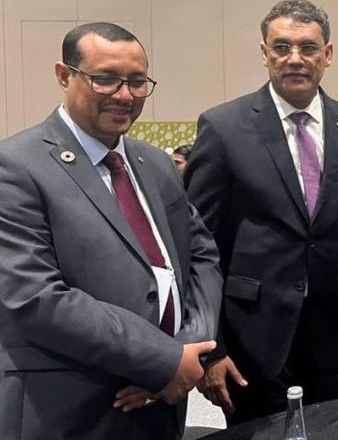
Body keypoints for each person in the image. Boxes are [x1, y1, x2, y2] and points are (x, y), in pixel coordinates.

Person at [0, 22, 222, 439]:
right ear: (64, 75)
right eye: (104, 78)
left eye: (137, 82)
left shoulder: (156, 164)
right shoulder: (14, 166)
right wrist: (160, 359)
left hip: (162, 406)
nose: (124, 95)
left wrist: (186, 351)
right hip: (69, 408)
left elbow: (202, 255)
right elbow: (35, 297)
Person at [185, 0, 338, 424]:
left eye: (308, 47)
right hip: (252, 332)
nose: (295, 58)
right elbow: (196, 245)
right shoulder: (223, 127)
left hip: (334, 328)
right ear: (264, 53)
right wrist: (210, 345)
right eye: (282, 47)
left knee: (330, 430)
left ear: (328, 54)